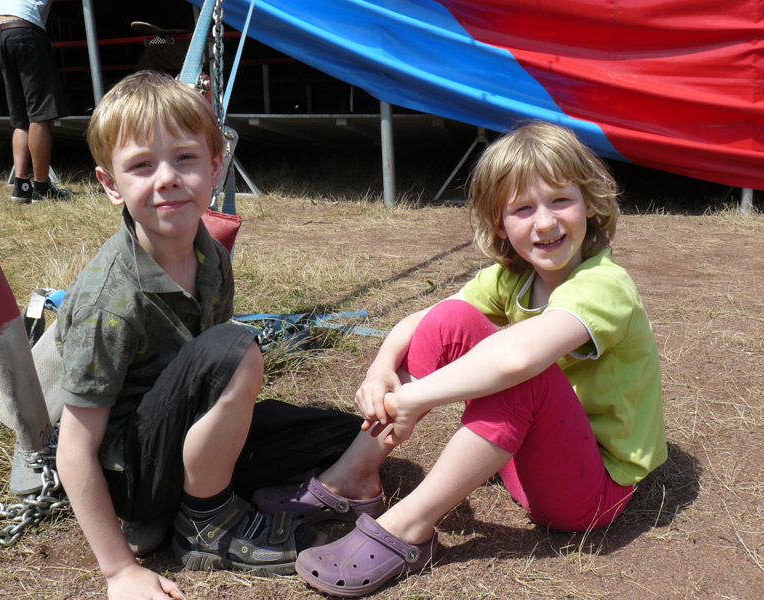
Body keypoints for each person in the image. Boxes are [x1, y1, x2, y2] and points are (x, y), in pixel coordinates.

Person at [252, 122, 668, 597]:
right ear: (500, 223)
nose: (545, 223)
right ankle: (352, 478)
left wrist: (412, 398)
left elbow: (518, 359)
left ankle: (409, 527)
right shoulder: (514, 278)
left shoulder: (605, 285)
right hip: (529, 462)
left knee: (522, 374)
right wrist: (381, 367)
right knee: (451, 318)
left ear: (589, 202)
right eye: (523, 209)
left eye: (560, 200)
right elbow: (425, 321)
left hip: (591, 491)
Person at [55, 71, 361, 600]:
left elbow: (213, 389)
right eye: (142, 165)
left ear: (216, 166)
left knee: (342, 435)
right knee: (233, 348)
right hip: (134, 476)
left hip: (184, 442)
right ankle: (205, 523)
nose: (167, 178)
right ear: (110, 184)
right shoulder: (108, 300)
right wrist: (119, 571)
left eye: (185, 158)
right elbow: (75, 449)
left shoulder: (211, 255)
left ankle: (209, 495)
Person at [0, 0, 71, 203]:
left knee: (21, 116)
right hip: (23, 26)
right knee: (39, 112)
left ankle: (21, 186)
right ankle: (42, 188)